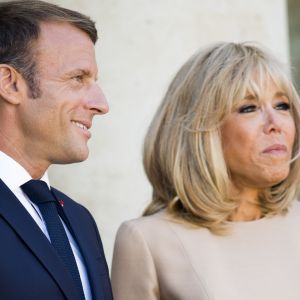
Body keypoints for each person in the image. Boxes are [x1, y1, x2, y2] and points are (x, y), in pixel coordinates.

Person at [111, 42, 300, 300]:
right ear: (202, 131)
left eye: (282, 105)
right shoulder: (147, 240)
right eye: (249, 108)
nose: (276, 123)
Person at [0, 1, 113, 299]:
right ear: (10, 83)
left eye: (94, 81)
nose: (101, 104)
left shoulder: (79, 220)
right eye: (78, 78)